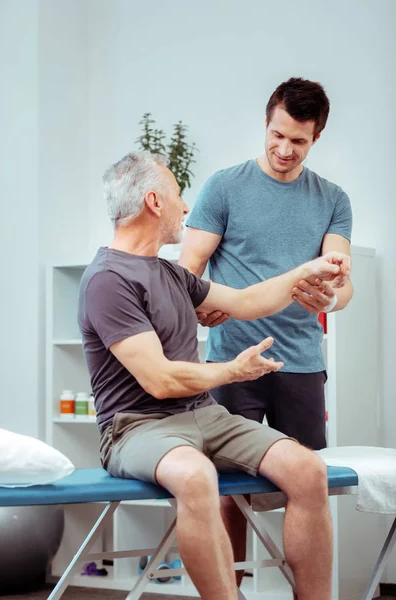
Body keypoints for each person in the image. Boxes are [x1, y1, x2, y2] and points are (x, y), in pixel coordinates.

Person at [78, 151, 350, 600]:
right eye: (178, 195)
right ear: (154, 201)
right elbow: (160, 381)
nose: (186, 207)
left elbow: (247, 301)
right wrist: (232, 370)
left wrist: (307, 270)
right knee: (195, 476)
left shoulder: (170, 273)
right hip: (136, 426)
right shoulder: (108, 279)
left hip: (201, 416)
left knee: (307, 470)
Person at [179, 77, 353, 587]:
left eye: (298, 141)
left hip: (301, 363)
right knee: (229, 490)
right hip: (234, 360)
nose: (283, 149)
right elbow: (189, 269)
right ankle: (230, 592)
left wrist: (332, 298)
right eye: (277, 134)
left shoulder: (333, 199)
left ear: (316, 138)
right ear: (266, 121)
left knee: (309, 485)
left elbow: (344, 286)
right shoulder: (224, 186)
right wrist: (202, 305)